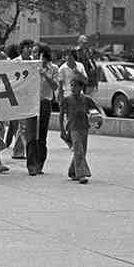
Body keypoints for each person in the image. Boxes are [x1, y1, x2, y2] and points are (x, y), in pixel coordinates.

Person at [60, 77, 100, 184]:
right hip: (73, 128)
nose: (73, 88)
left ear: (81, 87)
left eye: (76, 86)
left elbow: (96, 111)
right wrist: (62, 130)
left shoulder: (87, 99)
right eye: (72, 85)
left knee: (82, 151)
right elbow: (61, 115)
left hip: (84, 127)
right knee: (78, 150)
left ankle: (73, 171)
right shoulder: (67, 100)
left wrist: (98, 121)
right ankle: (82, 174)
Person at [29, 43, 59, 175]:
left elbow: (55, 86)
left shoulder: (53, 68)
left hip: (45, 103)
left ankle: (40, 163)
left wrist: (45, 74)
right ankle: (31, 165)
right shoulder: (30, 66)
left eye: (36, 52)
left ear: (43, 54)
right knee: (31, 135)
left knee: (42, 135)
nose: (33, 55)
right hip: (30, 103)